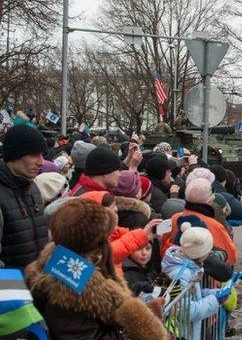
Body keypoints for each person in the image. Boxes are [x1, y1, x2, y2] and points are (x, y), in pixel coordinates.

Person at [24, 199, 167, 340]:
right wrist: (129, 332)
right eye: (106, 237)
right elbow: (84, 333)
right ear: (94, 244)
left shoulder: (61, 264)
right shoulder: (69, 289)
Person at [162, 223, 229, 340]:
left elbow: (191, 294)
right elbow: (184, 311)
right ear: (200, 254)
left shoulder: (188, 266)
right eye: (208, 251)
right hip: (182, 333)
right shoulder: (182, 273)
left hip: (187, 331)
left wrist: (213, 293)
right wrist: (215, 301)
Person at [0, 125, 49, 268]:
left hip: (35, 284)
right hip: (12, 287)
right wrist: (14, 287)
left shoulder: (32, 186)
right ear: (15, 155)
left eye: (42, 155)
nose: (41, 162)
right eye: (33, 155)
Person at [164, 178, 237, 265]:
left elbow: (163, 244)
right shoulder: (214, 225)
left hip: (174, 270)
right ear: (209, 201)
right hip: (201, 274)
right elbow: (231, 257)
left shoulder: (174, 218)